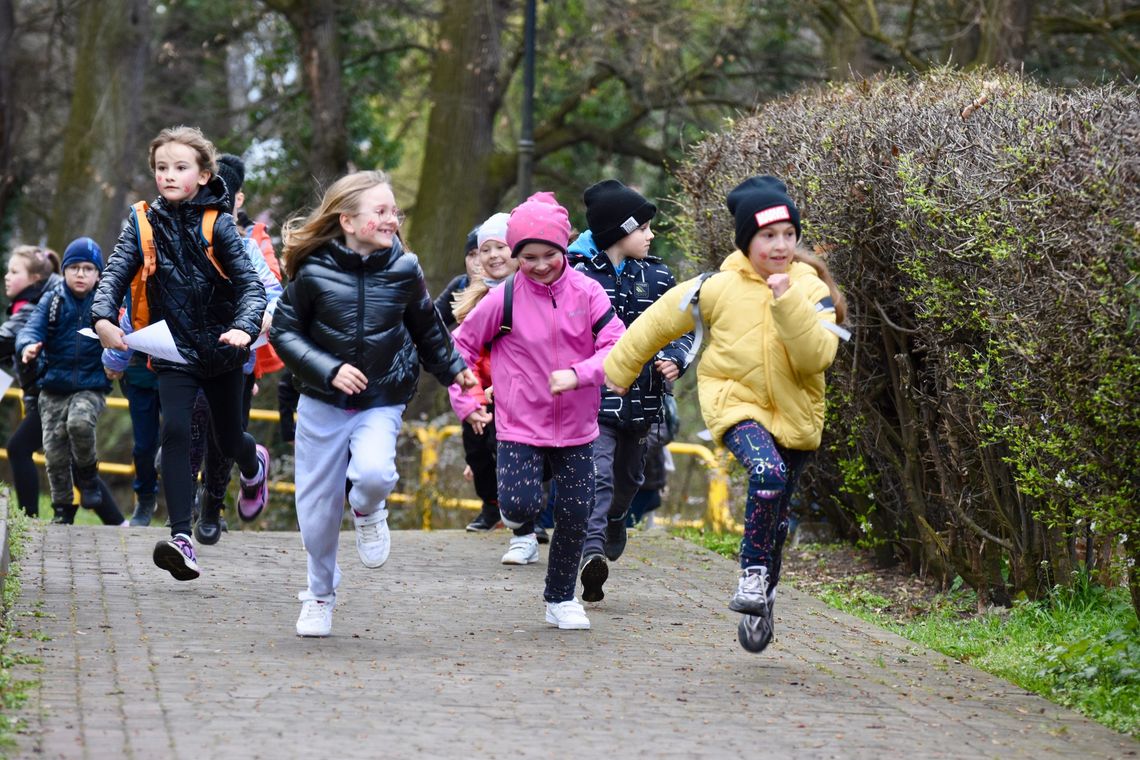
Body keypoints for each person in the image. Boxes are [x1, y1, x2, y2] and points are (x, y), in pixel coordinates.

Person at [603, 175, 846, 653]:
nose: (780, 246)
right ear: (745, 240)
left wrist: (786, 300)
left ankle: (765, 594)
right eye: (767, 236)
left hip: (796, 416)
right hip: (736, 405)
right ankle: (751, 577)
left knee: (775, 516)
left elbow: (816, 357)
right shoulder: (714, 288)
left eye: (788, 235)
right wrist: (620, 369)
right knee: (766, 471)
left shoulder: (810, 289)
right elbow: (654, 322)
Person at [270, 170, 475, 638]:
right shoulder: (312, 270)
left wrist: (454, 369)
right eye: (380, 212)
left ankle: (366, 509)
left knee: (375, 474)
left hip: (382, 395)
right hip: (322, 400)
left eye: (394, 212)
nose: (391, 219)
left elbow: (427, 329)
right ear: (347, 220)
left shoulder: (405, 269)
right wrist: (327, 368)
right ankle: (319, 596)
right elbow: (283, 332)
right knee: (317, 514)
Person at [92, 125, 270, 581]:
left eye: (181, 168)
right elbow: (114, 273)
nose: (169, 176)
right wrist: (102, 318)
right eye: (161, 168)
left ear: (205, 175)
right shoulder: (142, 221)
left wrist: (243, 329)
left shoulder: (219, 224)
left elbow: (252, 286)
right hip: (172, 350)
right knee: (173, 430)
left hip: (224, 349)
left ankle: (254, 464)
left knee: (228, 440)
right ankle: (181, 539)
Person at [450, 192, 625, 631]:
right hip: (519, 425)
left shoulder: (587, 293)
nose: (541, 264)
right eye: (529, 257)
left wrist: (579, 374)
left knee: (574, 513)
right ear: (515, 256)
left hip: (579, 426)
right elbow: (460, 349)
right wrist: (469, 402)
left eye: (549, 255)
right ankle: (518, 520)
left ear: (564, 248)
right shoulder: (503, 298)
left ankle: (561, 598)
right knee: (520, 504)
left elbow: (618, 346)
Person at [569, 179, 692, 603]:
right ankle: (591, 556)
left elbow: (684, 328)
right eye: (643, 227)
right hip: (594, 400)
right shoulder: (578, 276)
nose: (651, 234)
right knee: (598, 476)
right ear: (620, 231)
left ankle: (617, 519)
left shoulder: (659, 275)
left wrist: (677, 356)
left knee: (628, 480)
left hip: (644, 403)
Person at [188, 153, 283, 545]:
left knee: (224, 438)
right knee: (187, 427)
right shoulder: (178, 230)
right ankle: (184, 514)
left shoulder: (251, 242)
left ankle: (213, 506)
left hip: (239, 357)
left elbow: (274, 290)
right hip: (189, 353)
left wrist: (258, 322)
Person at [448, 211, 550, 554]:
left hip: (525, 394)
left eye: (500, 248)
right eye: (484, 250)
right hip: (482, 393)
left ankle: (527, 522)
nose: (492, 257)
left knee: (521, 455)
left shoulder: (537, 291)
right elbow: (461, 353)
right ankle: (493, 505)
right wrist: (474, 397)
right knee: (479, 454)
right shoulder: (470, 297)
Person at [15, 237, 125, 525]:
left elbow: (126, 336)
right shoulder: (52, 301)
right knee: (54, 453)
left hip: (91, 385)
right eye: (74, 267)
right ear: (63, 271)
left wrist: (118, 362)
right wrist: (28, 347)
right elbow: (30, 331)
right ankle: (63, 507)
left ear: (98, 274)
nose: (80, 274)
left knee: (79, 422)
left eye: (88, 268)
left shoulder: (107, 304)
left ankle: (88, 476)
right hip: (53, 387)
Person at [1, 245, 62, 517]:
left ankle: (30, 518)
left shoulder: (28, 308)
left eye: (14, 271)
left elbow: (3, 341)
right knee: (73, 463)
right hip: (46, 392)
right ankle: (118, 522)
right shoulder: (29, 302)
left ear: (34, 279)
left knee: (18, 448)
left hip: (51, 394)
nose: (6, 276)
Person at [434, 226, 481, 329]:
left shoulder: (510, 290)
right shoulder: (460, 285)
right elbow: (430, 321)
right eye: (471, 254)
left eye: (483, 252)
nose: (477, 262)